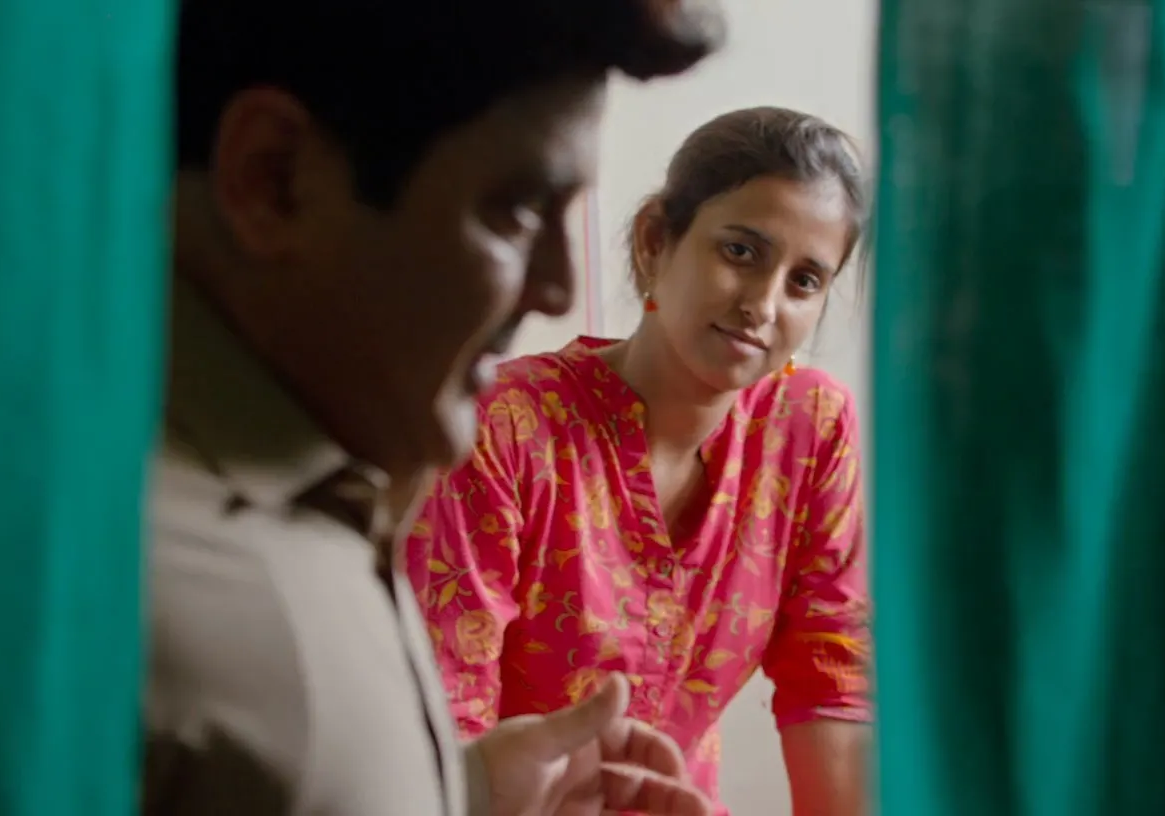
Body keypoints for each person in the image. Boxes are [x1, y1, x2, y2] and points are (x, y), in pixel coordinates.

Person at [143, 2, 728, 815]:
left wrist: (468, 790)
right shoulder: (121, 594)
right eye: (516, 210)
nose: (558, 287)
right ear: (272, 180)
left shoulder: (331, 481)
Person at [404, 106, 875, 816]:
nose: (763, 303)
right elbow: (443, 730)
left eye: (804, 281)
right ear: (656, 240)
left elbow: (829, 680)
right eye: (740, 252)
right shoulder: (504, 429)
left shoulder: (810, 428)